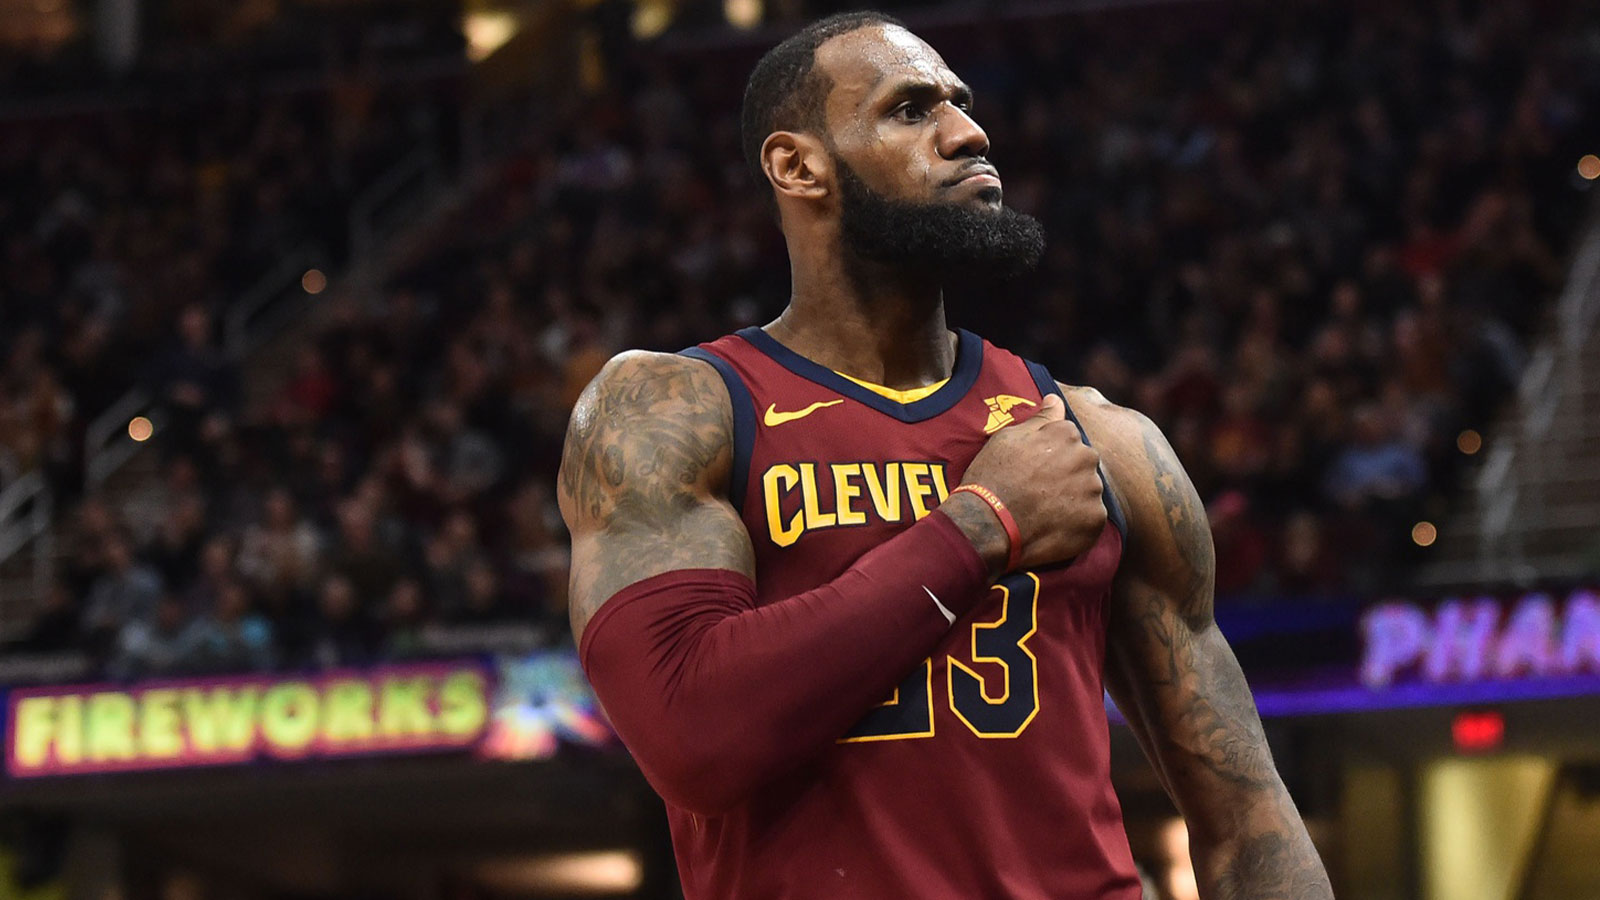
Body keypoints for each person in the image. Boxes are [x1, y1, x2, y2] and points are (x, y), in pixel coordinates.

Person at [558, 12, 1333, 899]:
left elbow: (1247, 819)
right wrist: (979, 528)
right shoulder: (676, 411)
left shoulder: (1100, 440)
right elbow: (690, 735)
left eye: (962, 104)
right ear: (797, 165)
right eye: (910, 108)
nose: (969, 133)